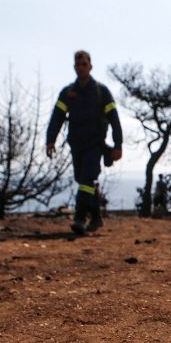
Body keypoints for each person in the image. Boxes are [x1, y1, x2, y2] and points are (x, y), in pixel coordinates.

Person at [46, 50, 123, 234]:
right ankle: (96, 218)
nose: (81, 68)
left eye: (84, 65)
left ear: (90, 67)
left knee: (87, 178)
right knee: (83, 180)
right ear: (74, 67)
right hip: (76, 143)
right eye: (78, 65)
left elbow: (114, 119)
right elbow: (57, 117)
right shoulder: (67, 93)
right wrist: (50, 140)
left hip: (95, 144)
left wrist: (118, 145)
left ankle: (80, 218)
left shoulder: (101, 91)